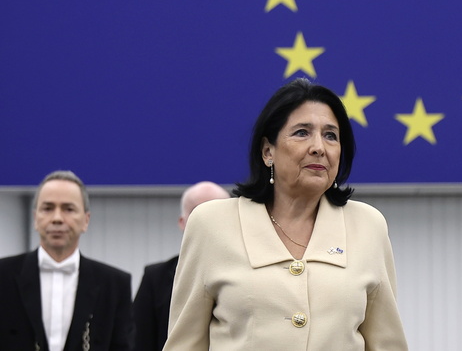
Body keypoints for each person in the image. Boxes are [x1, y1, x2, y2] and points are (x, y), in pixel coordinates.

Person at [163, 78, 408, 350]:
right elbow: (184, 344)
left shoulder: (368, 225)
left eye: (331, 135)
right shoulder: (211, 224)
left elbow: (387, 343)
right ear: (268, 151)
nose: (319, 147)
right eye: (302, 132)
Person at [0, 170, 133, 350]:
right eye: (47, 208)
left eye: (68, 209)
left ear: (86, 220)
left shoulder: (115, 284)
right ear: (35, 218)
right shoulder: (3, 275)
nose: (57, 218)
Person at [133, 181, 230, 351]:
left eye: (218, 213)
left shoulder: (252, 272)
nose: (207, 222)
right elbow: (141, 342)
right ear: (182, 222)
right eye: (197, 214)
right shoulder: (155, 278)